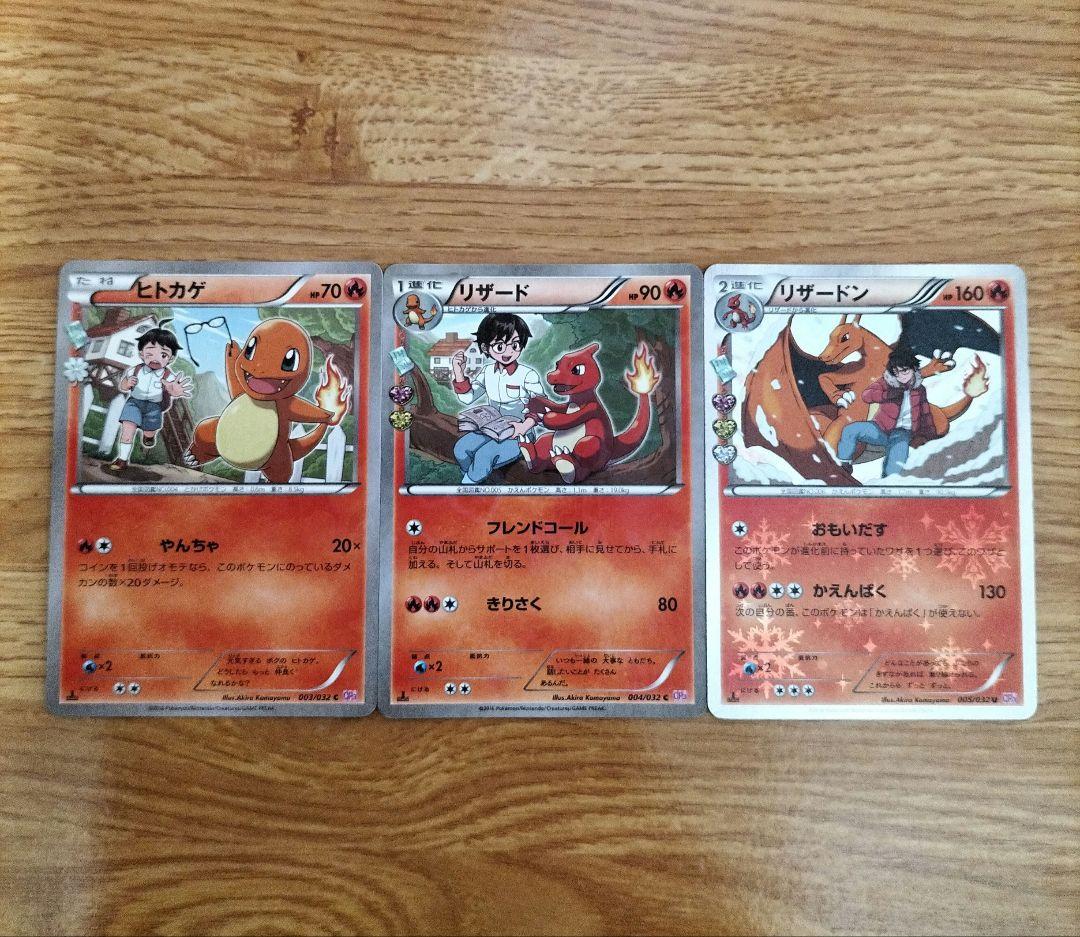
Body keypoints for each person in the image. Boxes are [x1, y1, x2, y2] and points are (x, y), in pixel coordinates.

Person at [451, 313, 542, 484]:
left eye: (515, 345)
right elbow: (468, 398)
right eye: (500, 346)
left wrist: (524, 426)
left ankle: (468, 485)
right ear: (486, 348)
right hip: (490, 430)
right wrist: (458, 372)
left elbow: (541, 406)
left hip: (518, 433)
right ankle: (476, 477)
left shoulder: (527, 375)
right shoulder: (487, 372)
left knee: (484, 456)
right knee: (461, 449)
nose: (509, 352)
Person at [105, 321, 192, 472]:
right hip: (134, 403)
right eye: (150, 354)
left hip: (154, 407)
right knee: (127, 431)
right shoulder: (135, 370)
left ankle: (149, 436)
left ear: (171, 358)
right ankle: (122, 460)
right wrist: (127, 383)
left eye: (163, 355)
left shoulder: (168, 375)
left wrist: (174, 391)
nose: (155, 359)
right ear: (141, 354)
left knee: (149, 430)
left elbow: (173, 389)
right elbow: (122, 386)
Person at [837, 346, 935, 478]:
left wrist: (929, 436)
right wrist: (887, 394)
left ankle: (887, 484)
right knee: (850, 430)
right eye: (896, 371)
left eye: (904, 371)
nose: (900, 376)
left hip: (902, 433)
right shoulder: (887, 382)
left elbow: (925, 413)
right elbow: (867, 395)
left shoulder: (919, 389)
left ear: (914, 369)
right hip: (880, 428)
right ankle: (844, 464)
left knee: (894, 470)